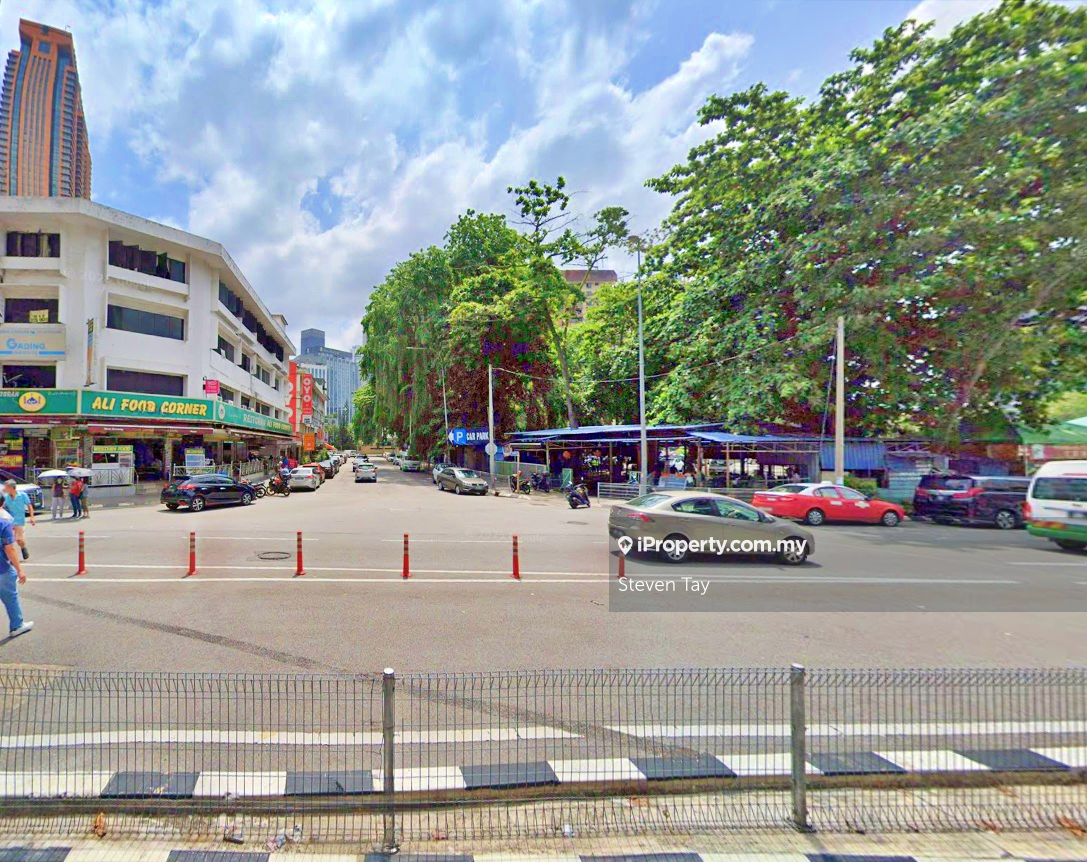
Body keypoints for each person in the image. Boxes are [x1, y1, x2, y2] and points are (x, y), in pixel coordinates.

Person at [0, 511, 31, 639]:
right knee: (10, 597)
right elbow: (10, 549)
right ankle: (17, 625)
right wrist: (19, 570)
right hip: (2, 569)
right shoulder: (3, 524)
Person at [1, 479, 35, 561]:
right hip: (10, 521)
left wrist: (32, 517)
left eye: (6, 487)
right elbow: (3, 507)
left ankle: (23, 547)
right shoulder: (6, 497)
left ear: (11, 487)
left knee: (19, 540)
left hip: (19, 520)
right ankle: (11, 557)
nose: (4, 489)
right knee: (8, 539)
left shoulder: (22, 495)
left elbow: (29, 506)